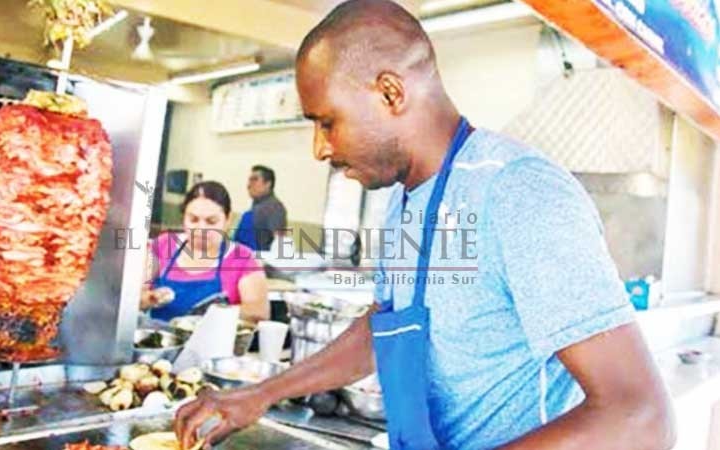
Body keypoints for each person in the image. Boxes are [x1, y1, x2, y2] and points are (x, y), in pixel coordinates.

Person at [175, 1, 675, 449]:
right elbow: (383, 327)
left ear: (391, 93)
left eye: (326, 122)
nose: (320, 148)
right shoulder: (407, 198)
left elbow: (640, 418)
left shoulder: (517, 193)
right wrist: (260, 394)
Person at [141, 181, 269, 323]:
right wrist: (150, 299)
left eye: (211, 221)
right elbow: (133, 298)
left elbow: (258, 312)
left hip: (216, 344)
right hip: (162, 341)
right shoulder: (163, 245)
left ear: (227, 220)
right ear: (183, 218)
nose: (201, 228)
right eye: (193, 220)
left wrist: (210, 313)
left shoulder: (243, 258)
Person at [233, 165, 288, 251]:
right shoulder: (255, 208)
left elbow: (280, 243)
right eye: (249, 180)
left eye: (254, 180)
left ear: (268, 184)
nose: (248, 185)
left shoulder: (275, 208)